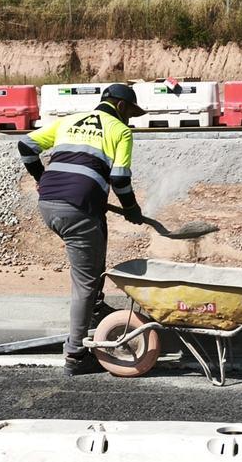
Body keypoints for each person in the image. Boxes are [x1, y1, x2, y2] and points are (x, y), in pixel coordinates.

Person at [18, 83, 146, 376]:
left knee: (96, 238)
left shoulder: (70, 120)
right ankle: (76, 354)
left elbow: (26, 146)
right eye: (130, 114)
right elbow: (120, 178)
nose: (130, 121)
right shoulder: (120, 130)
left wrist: (42, 177)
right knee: (84, 283)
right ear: (122, 107)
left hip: (50, 204)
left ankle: (95, 312)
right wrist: (131, 209)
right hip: (77, 209)